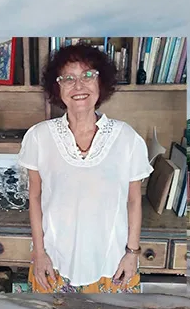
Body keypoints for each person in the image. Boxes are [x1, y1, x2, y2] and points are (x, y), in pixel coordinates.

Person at [17, 43, 153, 294]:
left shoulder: (127, 138)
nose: (78, 86)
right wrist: (39, 252)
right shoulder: (38, 137)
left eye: (88, 75)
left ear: (101, 83)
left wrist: (132, 253)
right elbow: (34, 198)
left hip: (113, 265)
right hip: (54, 263)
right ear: (57, 87)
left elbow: (134, 200)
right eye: (68, 78)